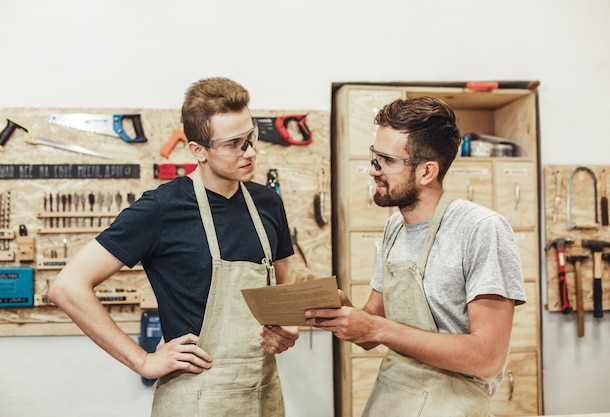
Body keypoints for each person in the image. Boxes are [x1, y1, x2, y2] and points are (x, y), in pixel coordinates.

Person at [49, 77, 299, 416]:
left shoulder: (268, 204)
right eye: (235, 144)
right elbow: (67, 287)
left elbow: (283, 292)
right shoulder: (162, 208)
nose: (250, 152)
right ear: (199, 150)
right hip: (195, 398)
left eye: (251, 137)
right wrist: (143, 360)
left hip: (261, 396)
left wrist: (287, 328)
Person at [306, 96, 526, 416]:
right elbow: (371, 327)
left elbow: (487, 357)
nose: (372, 171)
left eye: (386, 161)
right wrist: (345, 312)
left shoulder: (481, 229)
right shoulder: (395, 227)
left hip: (452, 404)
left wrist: (376, 329)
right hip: (394, 399)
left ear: (426, 172)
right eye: (374, 158)